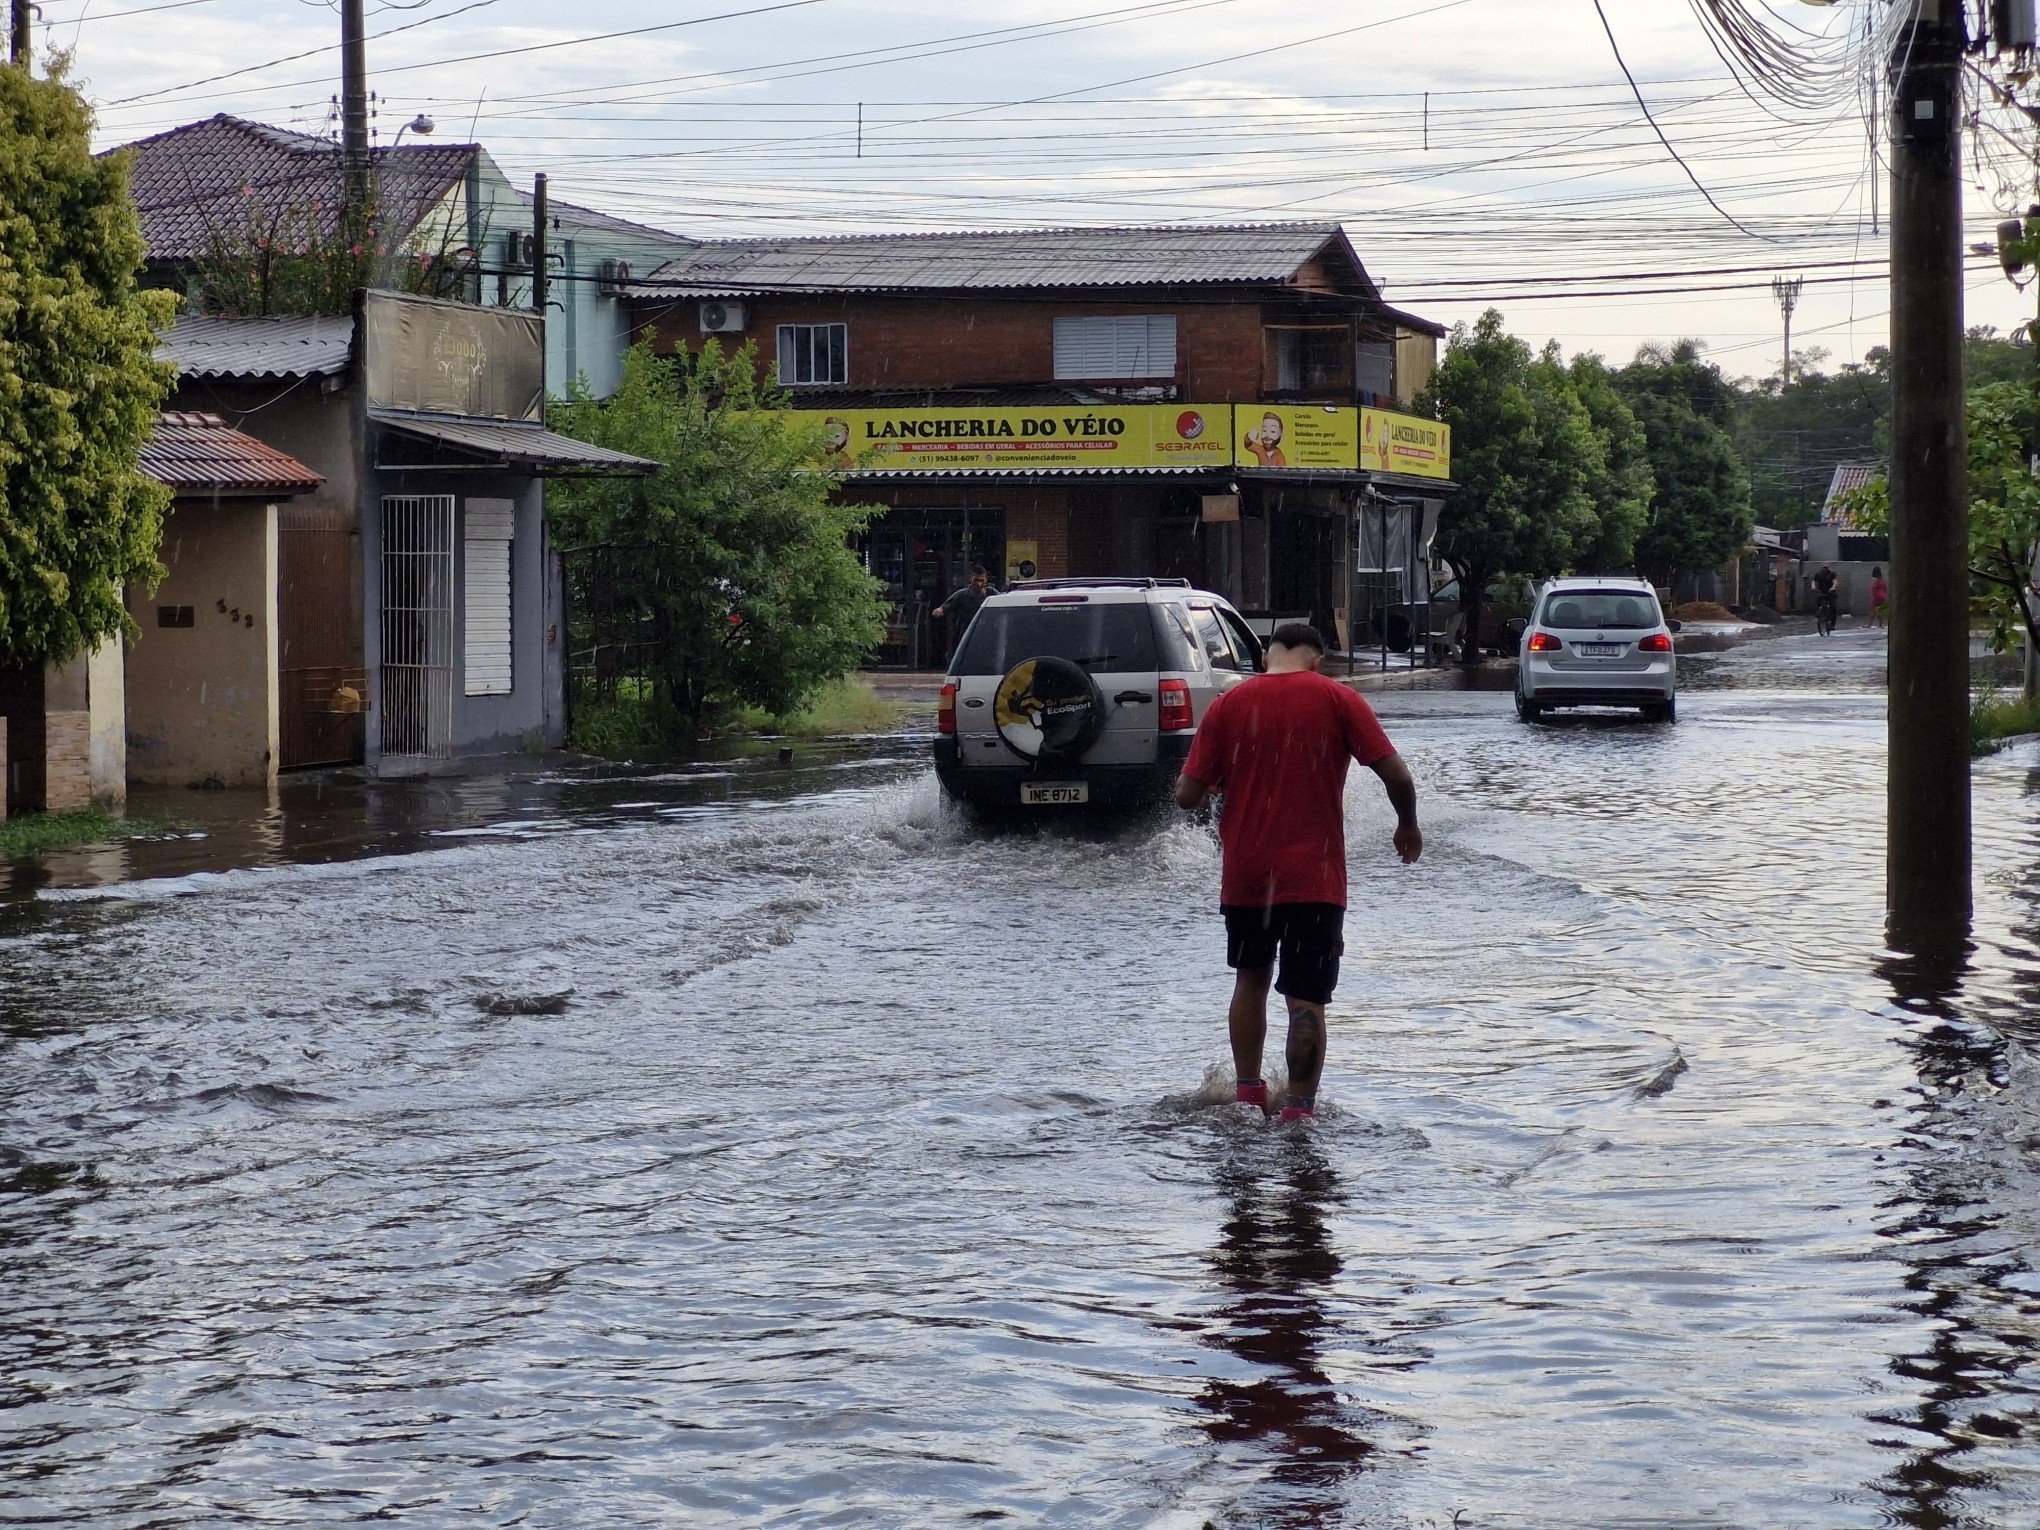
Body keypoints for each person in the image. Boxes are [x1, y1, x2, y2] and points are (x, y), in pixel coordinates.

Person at [1174, 623, 1422, 1123]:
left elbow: (1186, 795)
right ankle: (1299, 1114)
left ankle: (1247, 1098)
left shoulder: (1230, 703)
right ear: (1318, 660)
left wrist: (1224, 782)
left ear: (1267, 657)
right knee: (1305, 998)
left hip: (1247, 875)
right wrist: (1408, 826)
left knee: (1250, 980)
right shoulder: (1337, 698)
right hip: (1315, 878)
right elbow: (1396, 774)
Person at [932, 566, 996, 660]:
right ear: (971, 578)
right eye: (976, 580)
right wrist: (938, 611)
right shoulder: (961, 595)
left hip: (988, 636)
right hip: (967, 637)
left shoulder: (992, 594)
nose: (979, 583)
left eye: (982, 580)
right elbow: (944, 607)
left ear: (986, 579)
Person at [1812, 564, 1839, 631]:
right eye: (1823, 568)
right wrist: (1814, 587)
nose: (1825, 569)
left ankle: (1832, 624)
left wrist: (1833, 588)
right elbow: (1814, 582)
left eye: (1826, 568)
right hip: (1821, 591)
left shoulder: (1832, 574)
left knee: (1833, 607)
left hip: (1830, 592)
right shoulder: (1818, 574)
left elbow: (1835, 582)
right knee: (1818, 601)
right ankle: (1818, 614)